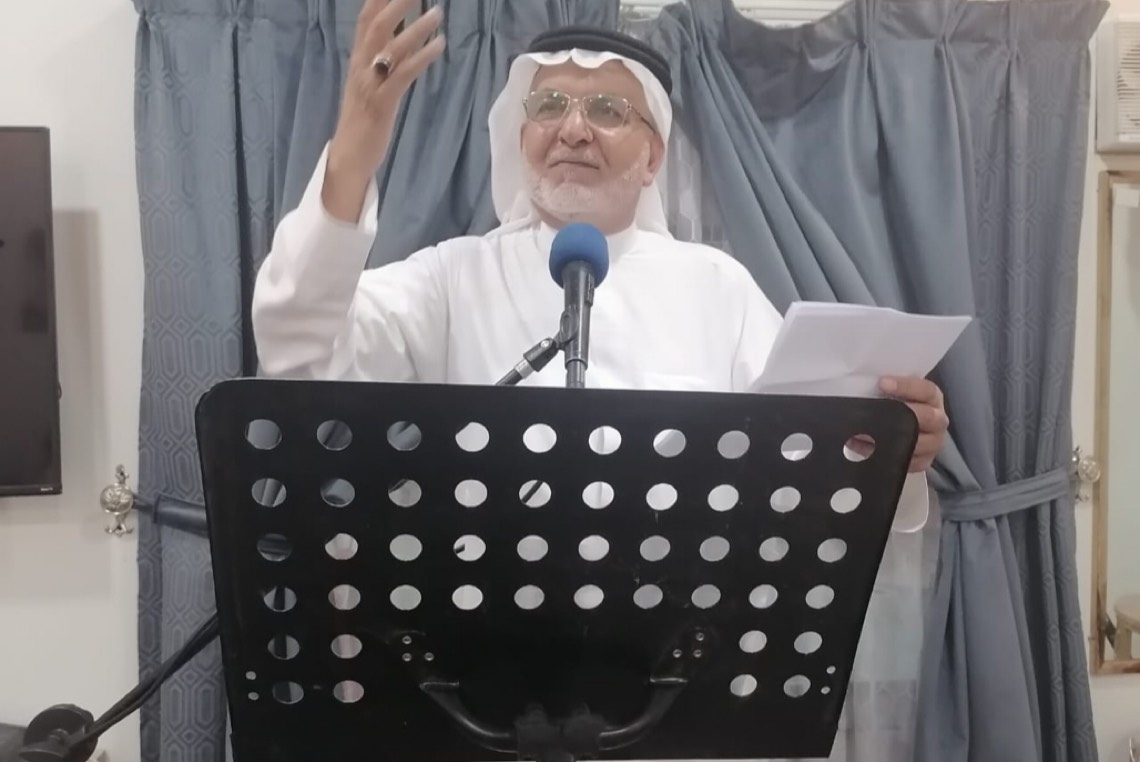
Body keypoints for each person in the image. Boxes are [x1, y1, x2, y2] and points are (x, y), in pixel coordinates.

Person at [250, 0, 948, 526]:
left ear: (653, 156)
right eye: (550, 105)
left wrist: (891, 448)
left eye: (609, 110)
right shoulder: (454, 277)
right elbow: (300, 347)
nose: (574, 129)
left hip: (673, 640)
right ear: (520, 135)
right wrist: (355, 151)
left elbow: (804, 465)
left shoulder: (716, 288)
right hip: (487, 636)